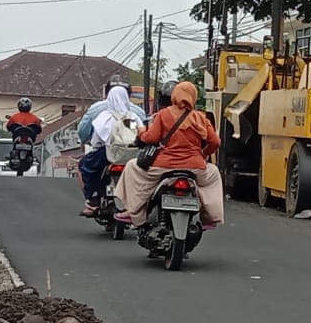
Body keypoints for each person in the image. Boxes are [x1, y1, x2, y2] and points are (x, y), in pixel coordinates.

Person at [113, 81, 224, 229]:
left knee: (132, 167)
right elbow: (215, 142)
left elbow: (151, 138)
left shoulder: (164, 114)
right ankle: (210, 217)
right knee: (214, 174)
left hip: (163, 167)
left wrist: (141, 132)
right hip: (195, 167)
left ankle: (134, 213)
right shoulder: (201, 117)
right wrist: (203, 154)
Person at [79, 85, 144, 216]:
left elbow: (96, 142)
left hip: (107, 154)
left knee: (85, 166)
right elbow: (142, 133)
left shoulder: (104, 116)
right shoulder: (133, 117)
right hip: (131, 155)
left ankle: (92, 200)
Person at [78, 78, 147, 146]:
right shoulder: (137, 113)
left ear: (108, 94)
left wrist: (85, 141)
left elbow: (83, 132)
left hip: (103, 152)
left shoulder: (98, 111)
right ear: (128, 95)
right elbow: (143, 132)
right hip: (130, 153)